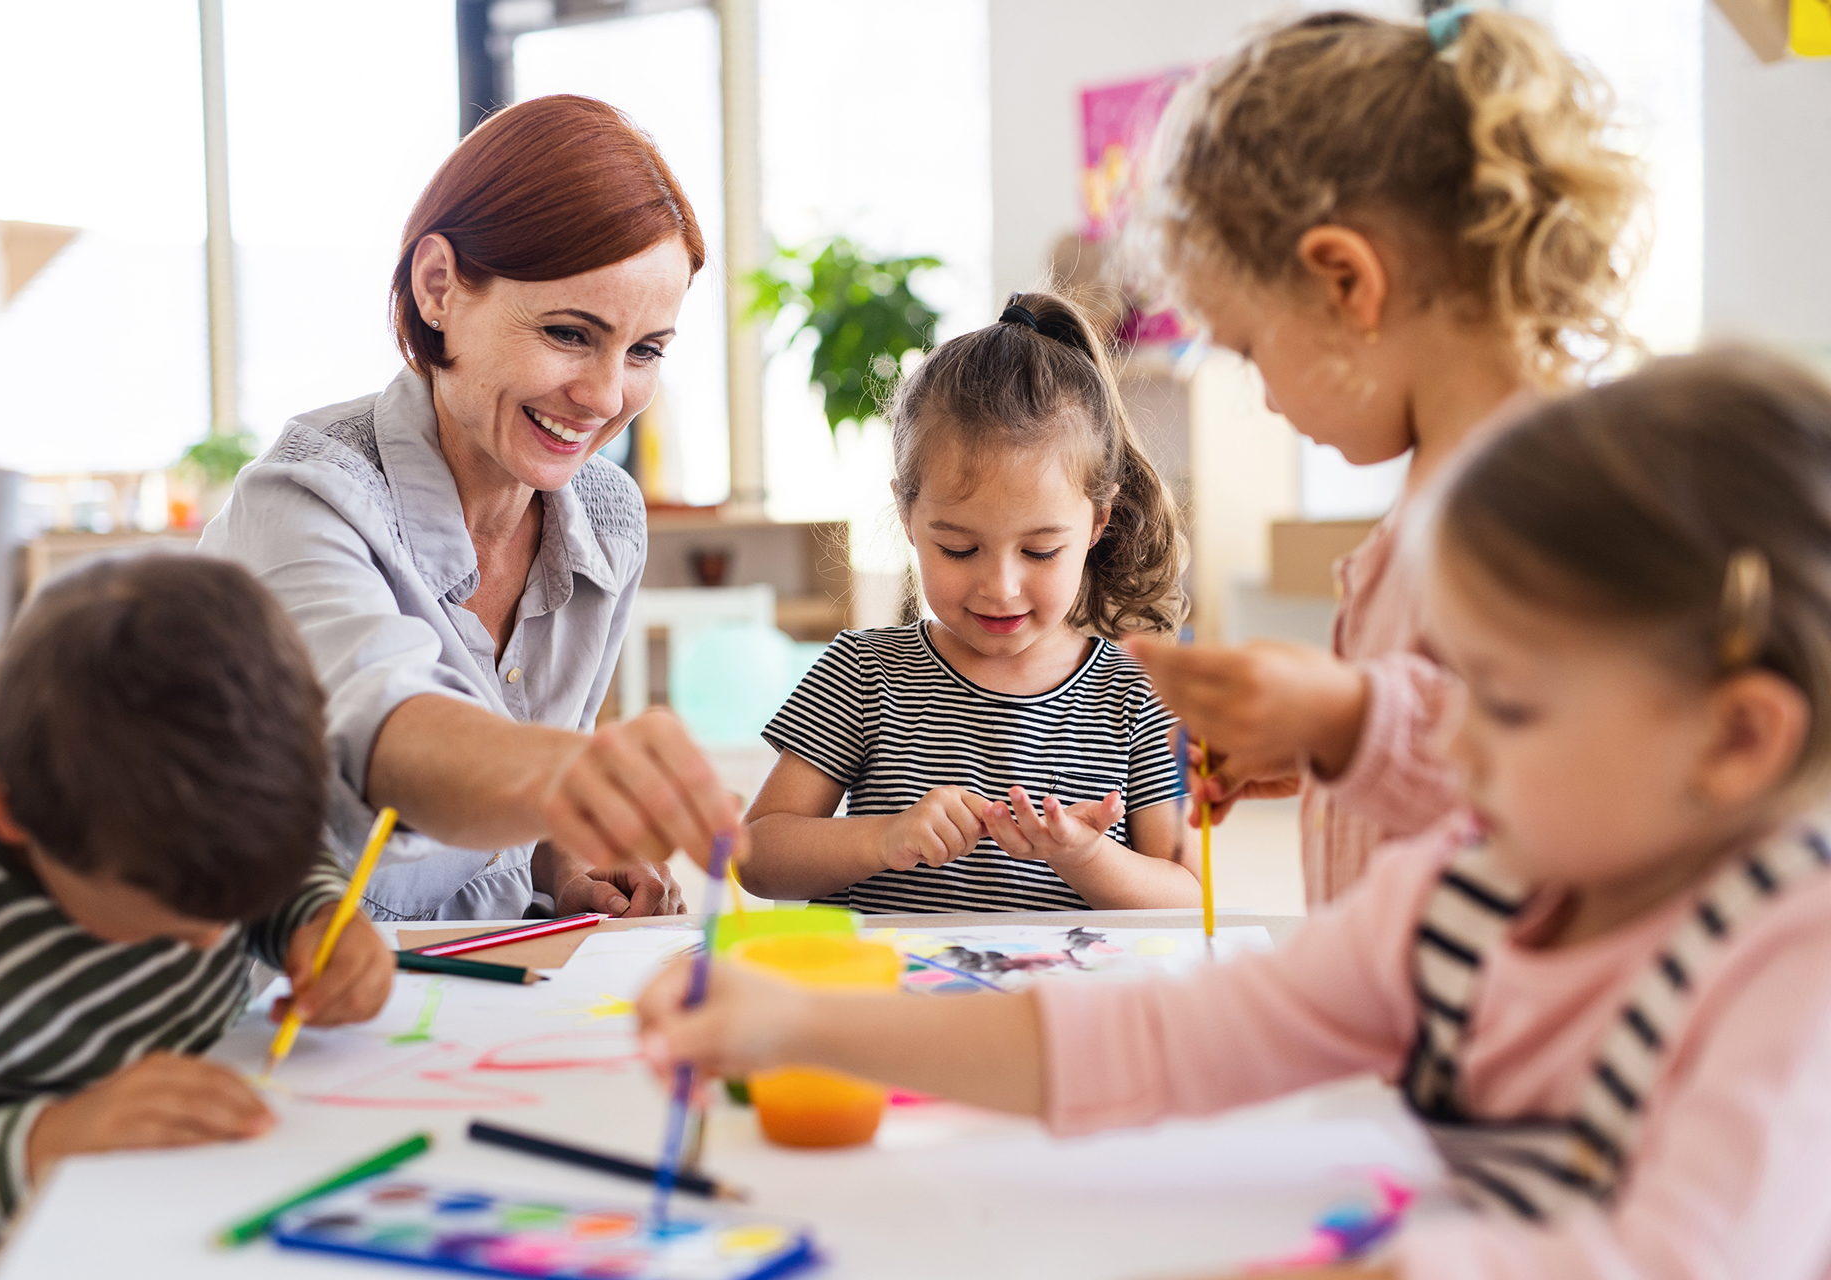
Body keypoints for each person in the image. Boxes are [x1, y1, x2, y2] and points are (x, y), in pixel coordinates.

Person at [642, 351, 1831, 1278]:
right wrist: (803, 1024)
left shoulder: (1795, 961)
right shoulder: (1460, 892)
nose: (1449, 741)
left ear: (1736, 737)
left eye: (1508, 704)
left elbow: (1673, 1256)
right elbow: (1165, 1037)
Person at [1123, 8, 1644, 903]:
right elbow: (1458, 732)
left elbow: (1582, 780)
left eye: (1249, 348)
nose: (1264, 396)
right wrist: (1326, 751)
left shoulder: (1551, 499)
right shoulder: (1444, 486)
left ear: (1346, 282)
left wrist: (1350, 718)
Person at [202, 95, 737, 922]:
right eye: (569, 333)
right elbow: (389, 737)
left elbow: (519, 811)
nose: (605, 397)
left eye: (644, 351)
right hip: (296, 975)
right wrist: (576, 780)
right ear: (439, 288)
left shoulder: (607, 519)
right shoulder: (305, 501)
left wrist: (569, 862)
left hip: (485, 973)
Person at [0, 556, 393, 1277]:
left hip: (216, 1186)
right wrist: (50, 1139)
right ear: (7, 816)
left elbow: (260, 861)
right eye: (166, 922)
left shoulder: (197, 780)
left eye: (232, 910)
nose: (213, 941)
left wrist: (317, 914)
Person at [739, 292, 1195, 912]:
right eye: (958, 548)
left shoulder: (1138, 695)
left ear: (1098, 522)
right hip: (891, 978)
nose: (1000, 587)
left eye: (1039, 551)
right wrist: (883, 838)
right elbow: (756, 857)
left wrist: (1084, 856)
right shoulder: (863, 672)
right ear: (907, 515)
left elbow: (1187, 895)